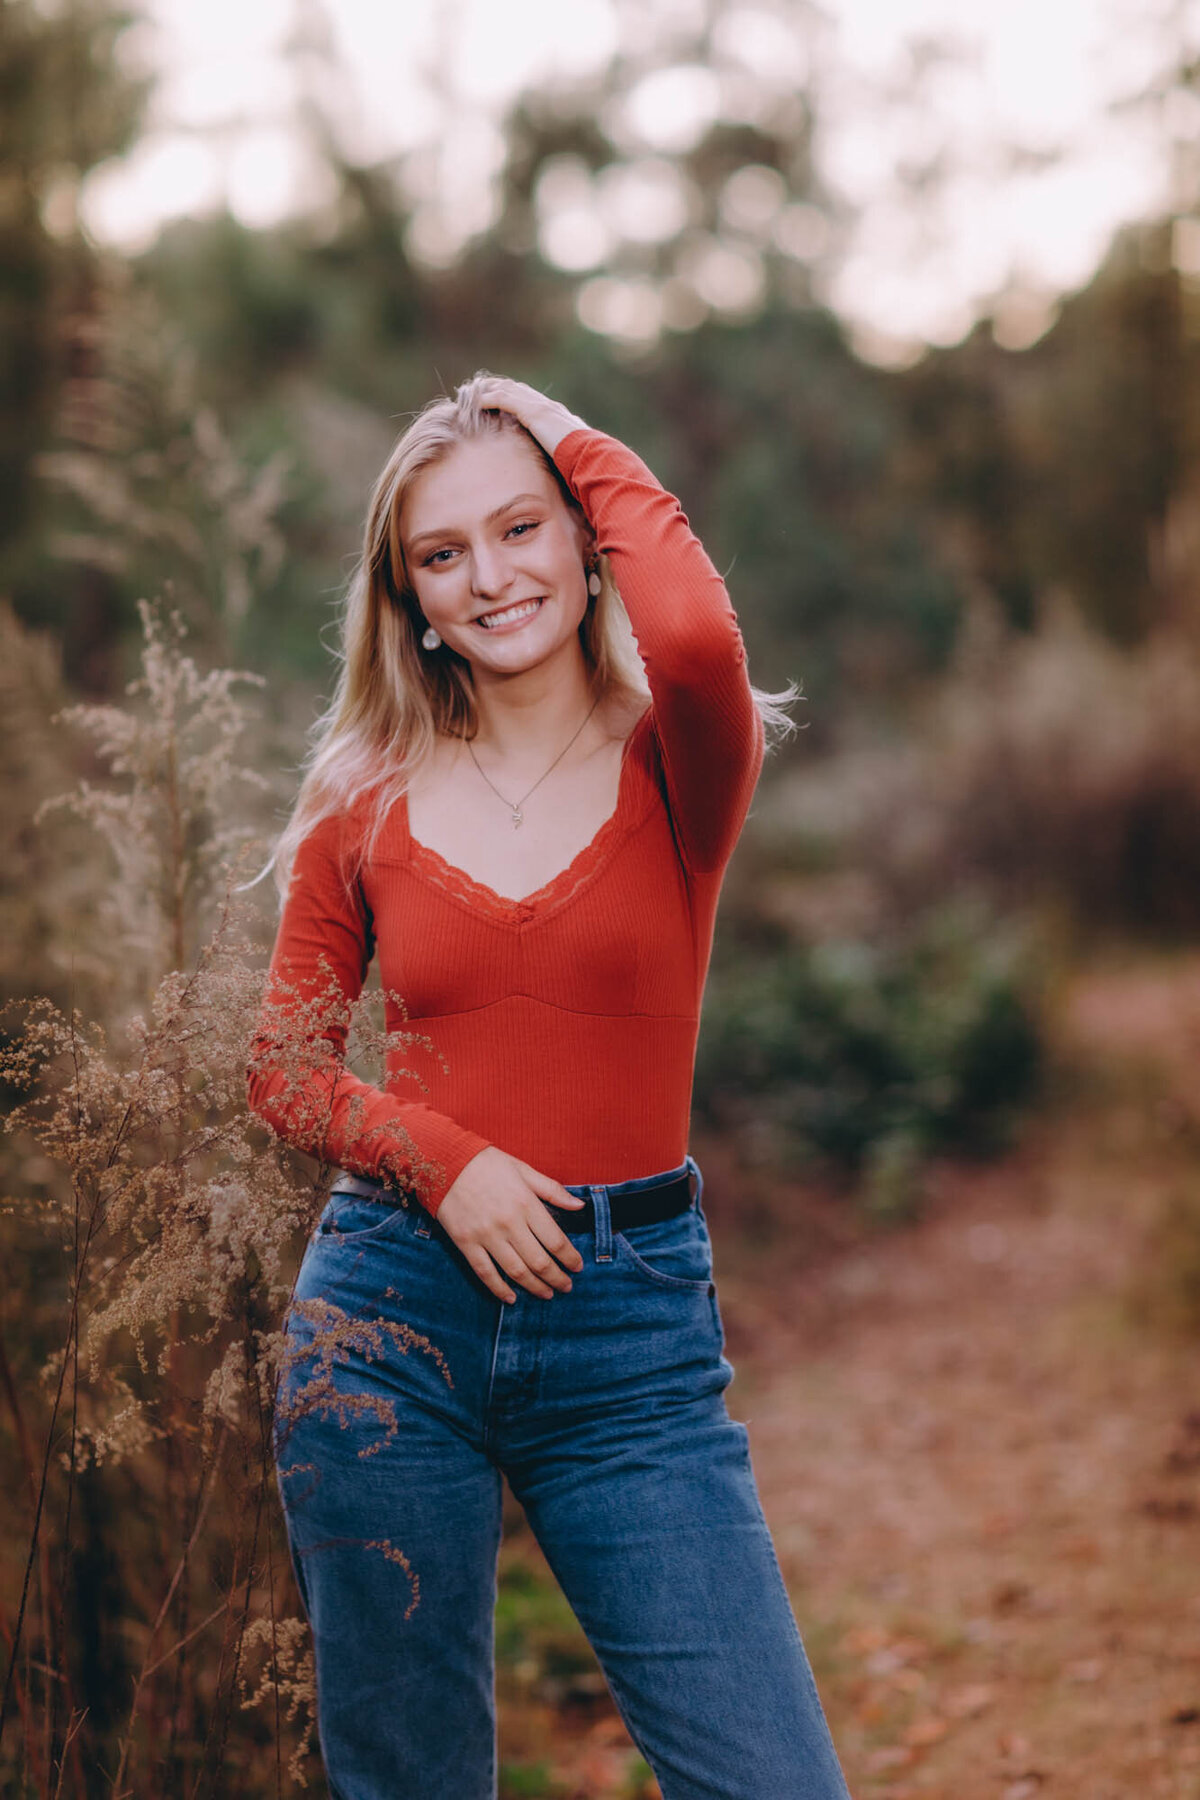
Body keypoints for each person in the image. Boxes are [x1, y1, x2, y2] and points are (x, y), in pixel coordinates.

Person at [247, 373, 851, 1800]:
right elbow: (281, 1065)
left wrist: (556, 421)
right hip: (388, 1321)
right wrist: (440, 1158)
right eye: (440, 556)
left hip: (629, 1342)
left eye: (523, 529)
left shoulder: (681, 764)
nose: (490, 578)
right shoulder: (363, 791)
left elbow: (696, 630)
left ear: (588, 547)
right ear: (406, 599)